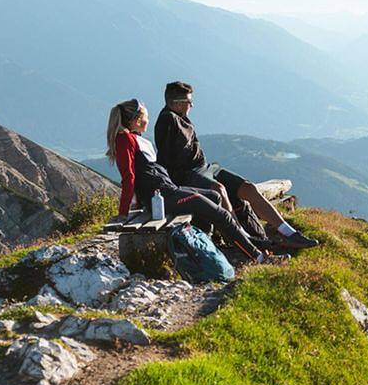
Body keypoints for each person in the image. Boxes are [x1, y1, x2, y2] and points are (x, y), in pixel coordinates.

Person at [153, 81, 319, 250]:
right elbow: (166, 159)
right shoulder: (167, 120)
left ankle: (289, 232)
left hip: (205, 168)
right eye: (189, 102)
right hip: (186, 173)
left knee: (248, 188)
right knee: (219, 189)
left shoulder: (181, 116)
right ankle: (243, 237)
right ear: (177, 103)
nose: (192, 105)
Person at [106, 98, 268, 263]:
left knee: (214, 196)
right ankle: (257, 256)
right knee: (221, 214)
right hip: (163, 197)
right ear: (137, 120)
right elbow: (129, 177)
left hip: (168, 191)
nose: (148, 120)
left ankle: (208, 247)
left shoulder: (134, 138)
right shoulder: (124, 139)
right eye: (146, 117)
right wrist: (123, 212)